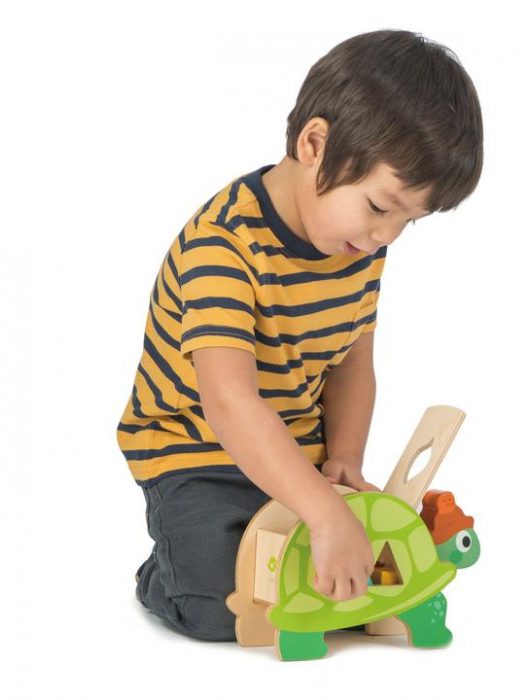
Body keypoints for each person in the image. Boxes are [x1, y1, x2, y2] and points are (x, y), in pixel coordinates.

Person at [116, 28, 483, 642]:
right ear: (316, 143)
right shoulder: (222, 247)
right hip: (198, 454)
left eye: (407, 222)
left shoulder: (357, 245)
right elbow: (229, 403)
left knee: (363, 569)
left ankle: (308, 529)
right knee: (223, 603)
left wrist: (341, 462)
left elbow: (351, 366)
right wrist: (322, 509)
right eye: (378, 206)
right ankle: (164, 575)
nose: (386, 236)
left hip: (296, 449)